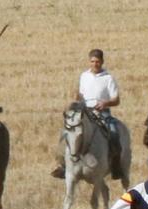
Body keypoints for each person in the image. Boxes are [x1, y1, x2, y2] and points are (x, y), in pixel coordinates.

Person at [52, 49, 123, 179]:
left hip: (102, 113)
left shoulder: (108, 78)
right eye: (92, 61)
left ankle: (116, 166)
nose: (95, 64)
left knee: (114, 134)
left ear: (102, 62)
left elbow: (116, 100)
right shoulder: (84, 76)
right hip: (85, 112)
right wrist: (77, 97)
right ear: (89, 61)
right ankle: (62, 164)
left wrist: (105, 103)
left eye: (97, 61)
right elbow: (80, 95)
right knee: (66, 132)